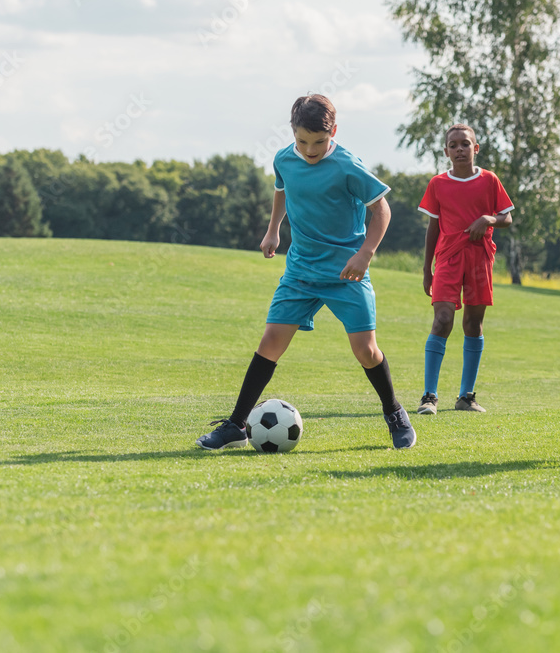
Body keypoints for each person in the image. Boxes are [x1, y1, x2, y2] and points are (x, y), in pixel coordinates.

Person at [196, 94, 416, 451]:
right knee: (270, 343)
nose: (310, 149)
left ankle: (394, 412)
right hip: (300, 270)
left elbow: (383, 211)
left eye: (319, 141)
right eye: (302, 141)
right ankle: (236, 425)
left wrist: (366, 254)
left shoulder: (347, 166)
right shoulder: (283, 159)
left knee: (366, 350)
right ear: (292, 133)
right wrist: (273, 230)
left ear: (333, 133)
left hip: (347, 271)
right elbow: (282, 190)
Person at [416, 124, 514, 415]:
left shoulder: (489, 180)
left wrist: (488, 219)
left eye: (465, 144)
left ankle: (465, 397)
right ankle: (429, 396)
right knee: (443, 319)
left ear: (476, 148)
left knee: (473, 324)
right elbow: (432, 227)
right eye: (453, 145)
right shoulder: (438, 184)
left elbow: (506, 217)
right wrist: (426, 269)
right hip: (447, 259)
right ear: (446, 151)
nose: (459, 149)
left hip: (480, 259)